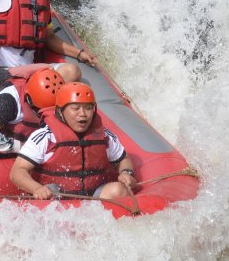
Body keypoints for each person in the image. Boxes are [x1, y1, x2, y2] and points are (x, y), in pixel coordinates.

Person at [9, 82, 137, 200]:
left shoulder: (104, 136)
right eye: (75, 108)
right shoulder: (45, 137)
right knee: (50, 194)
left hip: (93, 196)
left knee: (118, 190)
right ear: (60, 111)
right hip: (56, 197)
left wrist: (126, 172)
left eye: (88, 108)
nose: (83, 114)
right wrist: (36, 188)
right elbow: (17, 171)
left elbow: (124, 159)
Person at [0, 67, 65, 154]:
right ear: (30, 99)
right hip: (7, 142)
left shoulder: (64, 101)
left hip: (32, 146)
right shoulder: (8, 98)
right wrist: (25, 149)